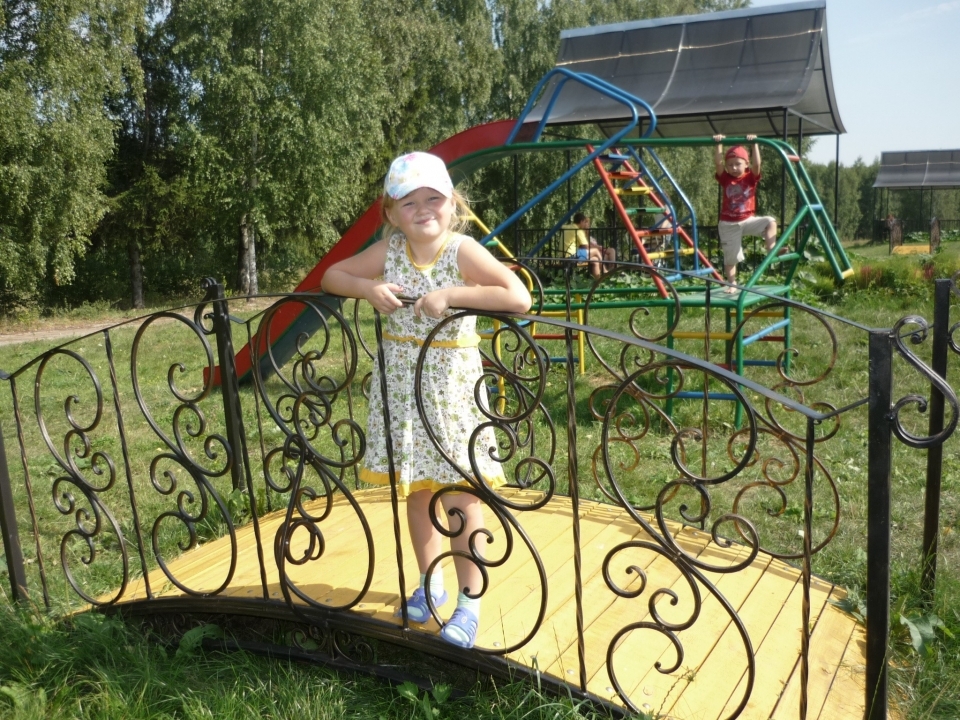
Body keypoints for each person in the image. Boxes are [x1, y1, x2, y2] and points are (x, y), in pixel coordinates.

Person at [320, 151, 531, 649]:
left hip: (451, 400)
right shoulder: (389, 250)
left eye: (433, 198)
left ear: (452, 203)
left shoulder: (461, 251)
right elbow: (331, 277)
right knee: (417, 493)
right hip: (404, 398)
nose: (422, 209)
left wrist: (454, 295)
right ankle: (431, 583)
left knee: (460, 498)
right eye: (409, 202)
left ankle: (469, 601)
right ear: (392, 213)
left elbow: (517, 297)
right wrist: (367, 288)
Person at [712, 134, 778, 292]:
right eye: (730, 165)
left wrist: (754, 144)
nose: (734, 168)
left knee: (770, 221)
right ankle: (732, 284)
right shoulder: (726, 178)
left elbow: (757, 164)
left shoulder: (750, 178)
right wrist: (719, 144)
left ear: (746, 164)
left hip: (747, 220)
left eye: (738, 164)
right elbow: (718, 163)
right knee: (731, 258)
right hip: (728, 224)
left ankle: (771, 248)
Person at [561, 212, 608, 279]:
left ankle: (598, 281)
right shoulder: (579, 231)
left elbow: (560, 226)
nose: (584, 224)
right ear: (581, 221)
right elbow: (586, 247)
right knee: (596, 251)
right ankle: (605, 272)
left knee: (595, 260)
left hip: (562, 257)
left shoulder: (567, 227)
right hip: (571, 257)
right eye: (584, 222)